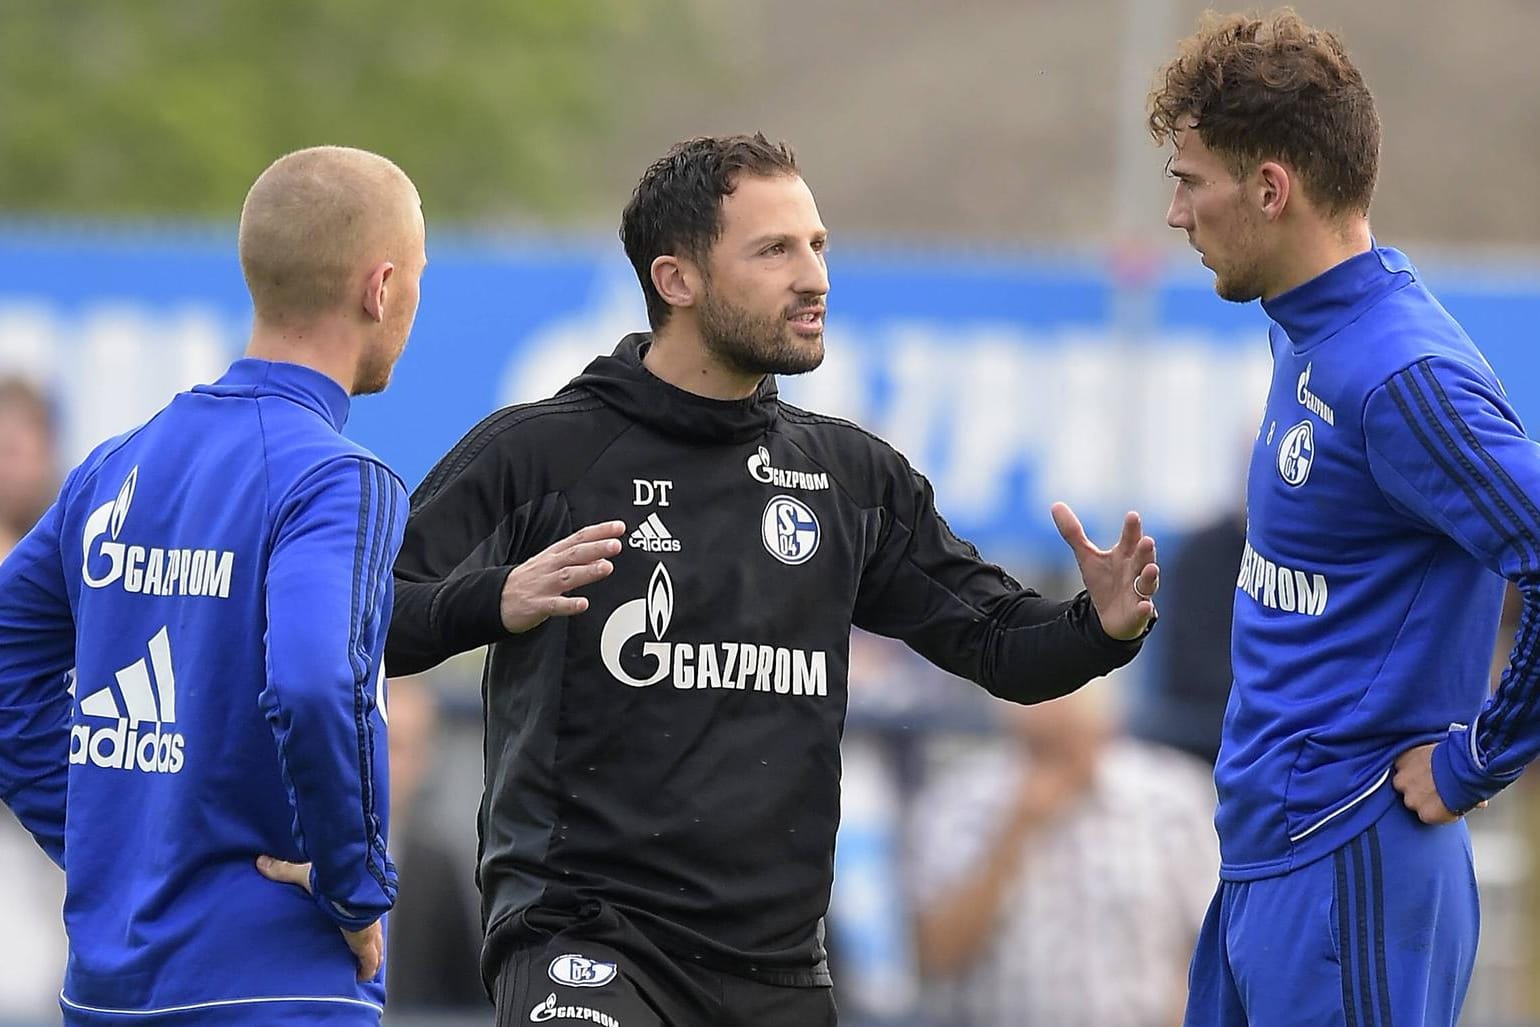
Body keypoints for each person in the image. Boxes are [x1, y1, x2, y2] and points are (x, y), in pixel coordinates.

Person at [386, 133, 1160, 1027]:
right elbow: (373, 617)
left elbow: (997, 643)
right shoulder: (541, 454)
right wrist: (497, 600)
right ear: (676, 280)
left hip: (777, 971)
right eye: (775, 250)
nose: (815, 277)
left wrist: (1100, 627)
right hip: (587, 941)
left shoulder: (850, 479)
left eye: (818, 245)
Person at [1150, 11, 1540, 1025]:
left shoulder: (1402, 371)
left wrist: (1478, 757)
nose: (1173, 214)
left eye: (1189, 181)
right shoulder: (1309, 332)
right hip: (1264, 861)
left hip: (1352, 864)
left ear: (1269, 189)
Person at [0, 145, 424, 1025]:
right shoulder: (337, 479)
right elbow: (314, 682)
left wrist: (104, 838)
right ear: (380, 287)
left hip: (105, 989)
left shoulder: (118, 463)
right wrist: (354, 883)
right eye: (418, 277)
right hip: (273, 984)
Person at [910, 680, 1217, 1027]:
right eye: (1042, 746)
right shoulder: (958, 801)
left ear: (1107, 728)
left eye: (1070, 741)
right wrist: (1015, 831)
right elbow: (936, 955)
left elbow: (1211, 950)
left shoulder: (1173, 799)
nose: (1059, 762)